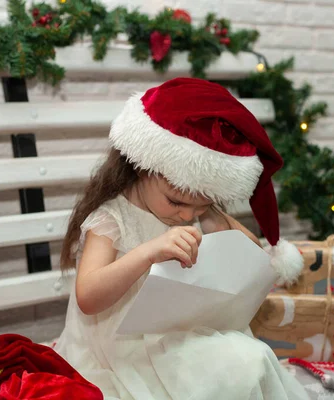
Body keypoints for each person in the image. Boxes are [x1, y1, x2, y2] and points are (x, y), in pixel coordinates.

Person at [53, 77, 307, 400]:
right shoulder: (112, 218)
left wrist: (213, 215)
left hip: (176, 335)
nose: (187, 216)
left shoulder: (195, 211)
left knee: (248, 360)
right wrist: (148, 253)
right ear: (141, 167)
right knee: (228, 369)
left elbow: (250, 257)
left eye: (199, 205)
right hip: (120, 349)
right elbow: (88, 296)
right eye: (176, 202)